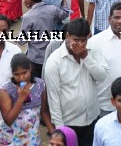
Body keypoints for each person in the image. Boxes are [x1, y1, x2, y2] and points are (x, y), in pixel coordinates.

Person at [43, 18, 110, 146]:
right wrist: (60, 129)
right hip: (70, 124)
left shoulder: (93, 50)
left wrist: (86, 57)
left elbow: (102, 76)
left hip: (93, 119)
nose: (80, 45)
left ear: (88, 37)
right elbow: (54, 98)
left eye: (83, 41)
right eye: (76, 40)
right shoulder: (54, 61)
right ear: (67, 36)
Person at [0, 53, 45, 146]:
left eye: (24, 73)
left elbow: (44, 112)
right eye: (16, 74)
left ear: (30, 69)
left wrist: (53, 131)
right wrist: (21, 98)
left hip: (32, 137)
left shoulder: (40, 85)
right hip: (11, 139)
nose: (21, 78)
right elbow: (8, 120)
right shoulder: (6, 90)